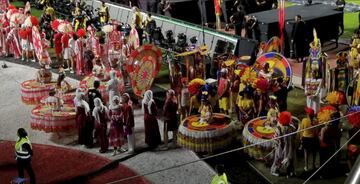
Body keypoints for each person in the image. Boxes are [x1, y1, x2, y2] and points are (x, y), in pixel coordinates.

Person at [271, 111, 296, 177]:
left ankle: (275, 170)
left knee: (278, 160)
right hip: (289, 148)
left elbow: (275, 139)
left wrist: (276, 144)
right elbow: (294, 138)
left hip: (281, 148)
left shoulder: (278, 129)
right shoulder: (292, 128)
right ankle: (290, 172)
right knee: (290, 159)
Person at [319, 112, 342, 178]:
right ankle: (329, 172)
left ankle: (323, 174)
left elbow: (322, 139)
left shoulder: (324, 129)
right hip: (331, 146)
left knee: (323, 161)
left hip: (324, 147)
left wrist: (319, 136)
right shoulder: (333, 128)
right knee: (329, 160)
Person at [299, 107, 319, 171]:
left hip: (306, 139)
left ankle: (306, 166)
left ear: (307, 114)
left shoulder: (304, 120)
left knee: (306, 153)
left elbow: (301, 130)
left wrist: (301, 139)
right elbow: (316, 132)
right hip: (313, 138)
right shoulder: (315, 121)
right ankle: (313, 165)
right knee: (314, 152)